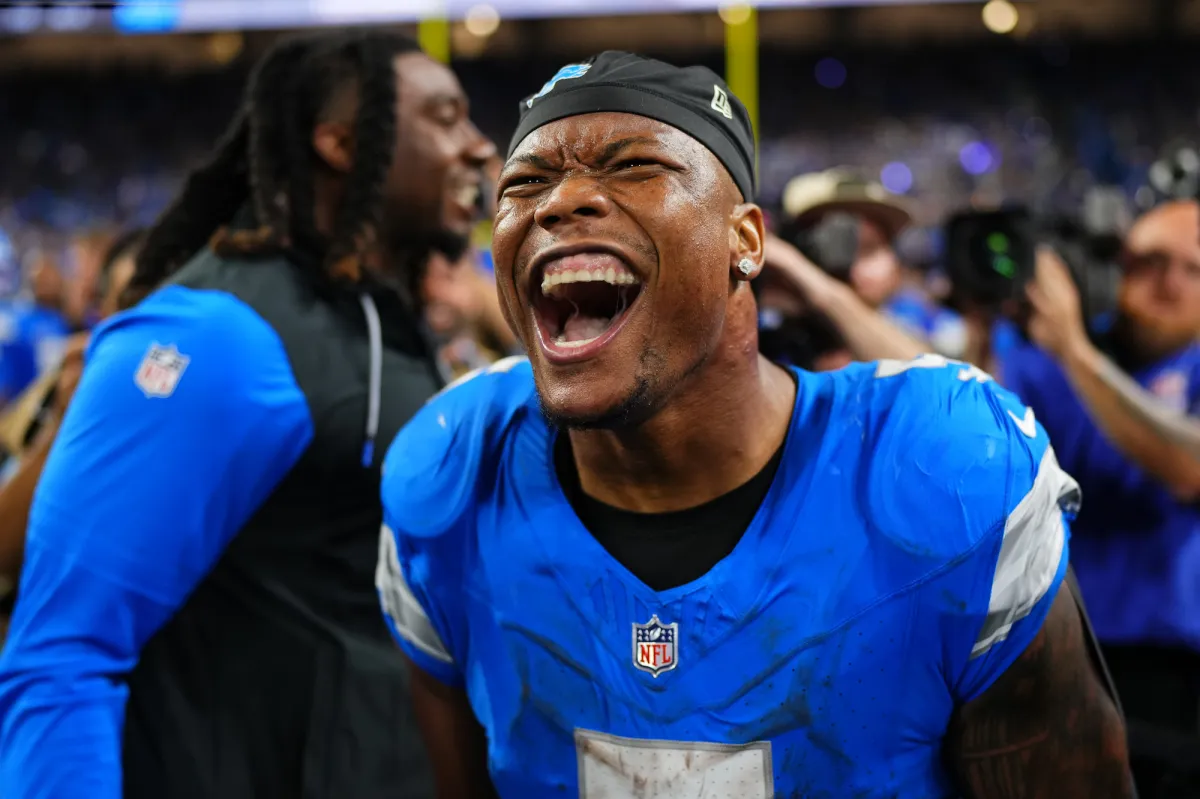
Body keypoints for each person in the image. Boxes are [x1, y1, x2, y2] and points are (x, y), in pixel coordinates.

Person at [377, 52, 1131, 798]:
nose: (560, 201)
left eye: (633, 166)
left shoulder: (939, 467)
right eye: (524, 183)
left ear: (746, 241)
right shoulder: (452, 465)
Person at [0, 29, 494, 799]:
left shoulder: (378, 321)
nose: (479, 146)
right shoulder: (221, 331)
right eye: (445, 117)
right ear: (340, 142)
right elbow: (66, 654)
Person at [1003, 200, 1200, 798]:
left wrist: (1074, 351)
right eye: (1150, 261)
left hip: (1172, 672)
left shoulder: (1074, 353)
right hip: (1057, 653)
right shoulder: (1051, 355)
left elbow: (1189, 467)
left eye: (1193, 268)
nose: (1168, 283)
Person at [0, 249, 71, 407]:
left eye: (49, 278)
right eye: (41, 280)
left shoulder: (64, 319)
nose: (46, 284)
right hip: (25, 402)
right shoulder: (20, 322)